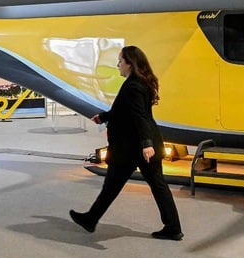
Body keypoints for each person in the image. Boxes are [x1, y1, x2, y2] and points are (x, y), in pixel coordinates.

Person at [70, 46, 183, 240]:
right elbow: (126, 111)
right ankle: (173, 227)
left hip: (134, 147)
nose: (117, 65)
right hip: (143, 145)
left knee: (113, 184)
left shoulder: (133, 86)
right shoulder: (140, 83)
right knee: (156, 185)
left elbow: (140, 117)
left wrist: (146, 143)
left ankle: (90, 219)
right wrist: (104, 117)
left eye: (120, 61)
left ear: (130, 63)